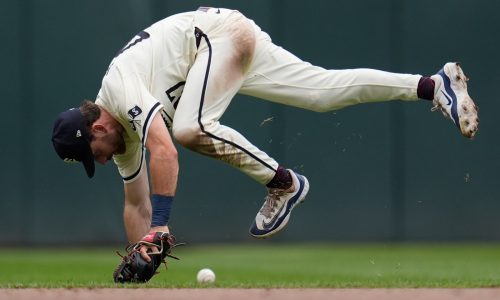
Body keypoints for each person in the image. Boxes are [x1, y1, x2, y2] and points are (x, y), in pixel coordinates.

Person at [52, 7, 478, 261]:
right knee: (322, 92)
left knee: (189, 128)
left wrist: (160, 227)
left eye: (96, 153)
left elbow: (164, 150)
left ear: (99, 126)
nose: (103, 161)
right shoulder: (118, 133)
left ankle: (284, 184)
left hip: (215, 38)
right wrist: (141, 251)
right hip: (222, 38)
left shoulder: (120, 87)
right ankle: (431, 85)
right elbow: (136, 203)